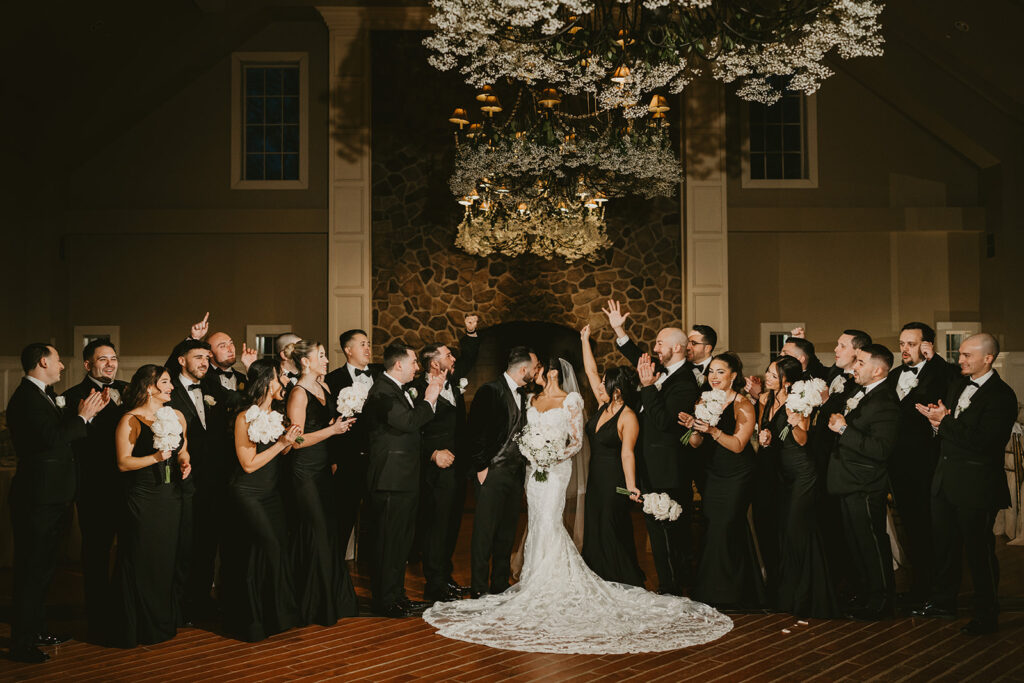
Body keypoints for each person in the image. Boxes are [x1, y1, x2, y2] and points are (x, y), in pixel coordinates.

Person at [423, 358, 733, 655]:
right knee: (537, 522)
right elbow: (525, 434)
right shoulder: (533, 400)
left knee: (549, 521)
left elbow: (576, 442)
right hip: (535, 471)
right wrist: (534, 454)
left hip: (557, 469)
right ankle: (534, 579)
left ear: (554, 373)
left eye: (541, 369)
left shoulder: (575, 401)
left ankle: (549, 581)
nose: (536, 373)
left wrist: (553, 455)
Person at [6, 343, 106, 663]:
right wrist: (82, 417)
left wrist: (84, 418)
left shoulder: (44, 395)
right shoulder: (25, 399)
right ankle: (21, 643)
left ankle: (37, 629)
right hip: (37, 499)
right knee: (31, 572)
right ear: (43, 361)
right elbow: (50, 440)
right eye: (59, 361)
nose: (63, 367)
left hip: (53, 498)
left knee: (46, 570)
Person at [913, 333, 1018, 635]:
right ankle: (945, 603)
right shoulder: (958, 384)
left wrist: (943, 422)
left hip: (977, 486)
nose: (960, 360)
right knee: (944, 548)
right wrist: (937, 424)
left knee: (979, 552)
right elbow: (952, 433)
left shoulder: (1001, 396)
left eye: (967, 355)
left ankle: (987, 613)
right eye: (960, 354)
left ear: (988, 358)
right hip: (945, 481)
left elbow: (984, 443)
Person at [602, 299, 700, 595]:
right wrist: (620, 330)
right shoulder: (660, 369)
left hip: (668, 471)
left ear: (678, 348)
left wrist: (646, 387)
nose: (655, 348)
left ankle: (674, 589)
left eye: (660, 343)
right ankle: (669, 585)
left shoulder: (685, 383)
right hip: (650, 467)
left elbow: (662, 421)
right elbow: (638, 357)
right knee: (658, 535)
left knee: (670, 535)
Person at [110, 365, 191, 648]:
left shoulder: (177, 415)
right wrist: (156, 458)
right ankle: (137, 626)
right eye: (166, 383)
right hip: (143, 497)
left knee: (165, 560)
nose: (171, 387)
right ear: (149, 387)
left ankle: (162, 621)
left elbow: (183, 449)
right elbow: (123, 462)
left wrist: (184, 461)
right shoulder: (130, 420)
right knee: (142, 559)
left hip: (170, 497)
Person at [222, 359, 302, 641]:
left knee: (274, 550)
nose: (284, 384)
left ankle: (274, 617)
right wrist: (281, 444)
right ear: (267, 382)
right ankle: (250, 621)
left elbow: (276, 455)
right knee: (266, 548)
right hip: (247, 493)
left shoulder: (278, 415)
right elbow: (248, 464)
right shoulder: (244, 417)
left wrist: (288, 442)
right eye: (280, 379)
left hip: (271, 493)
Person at [363, 342, 443, 617]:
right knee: (388, 543)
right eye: (413, 363)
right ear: (398, 365)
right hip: (390, 480)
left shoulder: (397, 389)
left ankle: (398, 596)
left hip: (403, 479)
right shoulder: (382, 392)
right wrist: (430, 396)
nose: (417, 368)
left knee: (401, 542)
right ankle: (386, 601)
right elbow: (408, 422)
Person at [680, 352, 765, 610]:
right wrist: (694, 428)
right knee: (714, 524)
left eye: (720, 372)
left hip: (738, 472)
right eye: (711, 372)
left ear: (733, 375)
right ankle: (712, 590)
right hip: (712, 471)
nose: (713, 377)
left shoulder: (743, 404)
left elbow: (739, 445)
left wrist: (714, 430)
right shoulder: (703, 399)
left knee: (728, 524)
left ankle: (735, 593)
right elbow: (695, 444)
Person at [757, 355, 836, 618]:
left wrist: (793, 425)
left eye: (772, 374)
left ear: (786, 380)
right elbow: (765, 432)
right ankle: (785, 594)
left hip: (802, 472)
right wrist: (765, 438)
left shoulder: (798, 399)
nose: (767, 377)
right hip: (780, 474)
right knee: (783, 532)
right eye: (768, 372)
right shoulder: (765, 400)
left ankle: (807, 597)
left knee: (796, 531)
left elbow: (802, 441)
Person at [285, 340, 358, 625]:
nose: (326, 360)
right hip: (304, 472)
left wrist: (342, 424)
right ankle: (311, 604)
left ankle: (332, 600)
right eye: (321, 356)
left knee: (329, 533)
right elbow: (297, 440)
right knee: (314, 533)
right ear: (305, 362)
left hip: (325, 471)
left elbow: (329, 427)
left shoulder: (325, 387)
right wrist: (332, 430)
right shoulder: (298, 394)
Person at [826, 344, 900, 620]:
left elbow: (881, 450)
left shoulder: (886, 401)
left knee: (871, 543)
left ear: (878, 369)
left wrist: (844, 429)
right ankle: (866, 595)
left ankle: (882, 602)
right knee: (856, 543)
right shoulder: (860, 392)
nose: (854, 367)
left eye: (860, 362)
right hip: (847, 480)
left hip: (866, 484)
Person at [60, 338, 127, 641]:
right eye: (103, 359)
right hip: (93, 489)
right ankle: (98, 617)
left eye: (113, 358)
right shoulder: (71, 396)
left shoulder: (128, 390)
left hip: (130, 486)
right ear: (88, 364)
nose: (110, 364)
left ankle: (123, 610)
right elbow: (69, 444)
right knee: (97, 553)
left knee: (128, 551)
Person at [411, 318, 480, 602]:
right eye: (448, 355)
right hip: (435, 469)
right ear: (434, 365)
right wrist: (432, 453)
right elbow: (412, 429)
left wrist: (471, 331)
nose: (454, 357)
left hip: (457, 468)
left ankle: (445, 577)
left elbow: (471, 355)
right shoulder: (415, 390)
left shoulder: (453, 380)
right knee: (436, 525)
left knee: (452, 524)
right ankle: (434, 583)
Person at [465, 346, 539, 599]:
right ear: (523, 369)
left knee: (507, 531)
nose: (536, 371)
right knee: (485, 531)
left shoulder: (524, 395)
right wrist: (481, 467)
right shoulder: (490, 391)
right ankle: (478, 586)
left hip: (515, 474)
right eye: (535, 367)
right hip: (492, 471)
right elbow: (475, 433)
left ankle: (499, 583)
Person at [885, 322, 949, 607]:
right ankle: (917, 588)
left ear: (927, 346)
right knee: (910, 528)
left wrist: (934, 359)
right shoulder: (895, 375)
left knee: (930, 528)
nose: (905, 349)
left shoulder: (940, 373)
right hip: (897, 466)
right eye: (902, 344)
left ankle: (935, 591)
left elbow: (952, 380)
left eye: (911, 344)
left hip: (927, 464)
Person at [579, 325, 644, 587]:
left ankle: (619, 579)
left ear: (617, 389)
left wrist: (630, 487)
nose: (601, 383)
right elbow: (590, 371)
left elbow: (628, 453)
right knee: (594, 526)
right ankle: (597, 579)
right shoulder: (604, 404)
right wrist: (584, 340)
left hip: (614, 479)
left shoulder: (628, 416)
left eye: (606, 381)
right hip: (596, 476)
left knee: (609, 527)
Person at [324, 327, 383, 558]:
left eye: (368, 343)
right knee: (342, 520)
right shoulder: (333, 379)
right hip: (348, 460)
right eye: (362, 344)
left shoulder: (380, 376)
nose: (368, 348)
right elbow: (327, 422)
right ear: (348, 350)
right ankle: (336, 576)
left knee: (377, 522)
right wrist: (333, 460)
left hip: (379, 459)